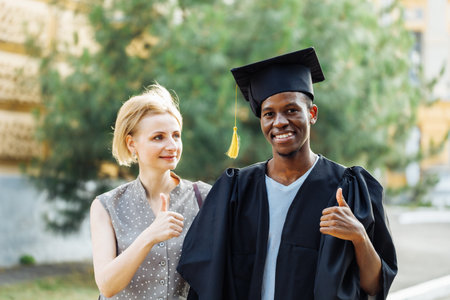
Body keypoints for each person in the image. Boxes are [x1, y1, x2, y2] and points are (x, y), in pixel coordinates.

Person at [177, 47, 397, 300]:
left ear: (311, 114)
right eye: (269, 113)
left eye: (291, 110)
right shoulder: (236, 191)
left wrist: (358, 236)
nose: (279, 122)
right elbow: (205, 279)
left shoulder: (349, 189)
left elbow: (375, 287)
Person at [90, 83, 211, 300]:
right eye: (159, 137)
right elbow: (107, 286)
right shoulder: (106, 205)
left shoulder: (203, 198)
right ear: (131, 144)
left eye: (176, 135)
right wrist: (150, 236)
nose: (172, 145)